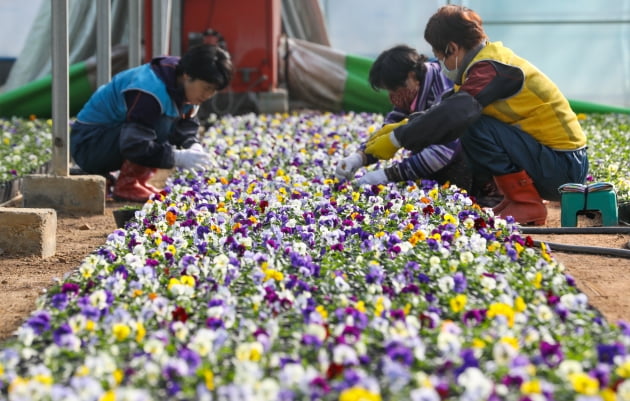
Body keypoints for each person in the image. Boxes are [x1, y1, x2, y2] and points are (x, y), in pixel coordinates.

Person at [363, 5, 588, 226]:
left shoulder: (492, 68)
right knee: (463, 117)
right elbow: (439, 110)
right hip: (553, 162)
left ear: (452, 48)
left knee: (470, 121)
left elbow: (455, 112)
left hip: (564, 167)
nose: (440, 64)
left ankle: (526, 203)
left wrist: (397, 140)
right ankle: (514, 199)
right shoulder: (481, 67)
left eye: (439, 56)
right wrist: (393, 132)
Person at [334, 45, 501, 206]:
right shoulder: (410, 92)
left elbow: (443, 150)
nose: (393, 97)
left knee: (451, 172)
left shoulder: (442, 85)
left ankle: (485, 193)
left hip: (478, 154)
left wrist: (389, 175)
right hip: (448, 153)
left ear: (412, 75)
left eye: (395, 89)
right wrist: (360, 156)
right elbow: (391, 129)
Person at [70, 44, 233, 202]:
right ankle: (128, 184)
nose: (208, 95)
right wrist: (177, 157)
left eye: (213, 91)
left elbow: (186, 122)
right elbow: (134, 143)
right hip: (89, 144)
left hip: (108, 139)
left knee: (164, 122)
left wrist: (191, 143)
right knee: (161, 123)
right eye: (206, 88)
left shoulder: (183, 82)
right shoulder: (150, 91)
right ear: (187, 76)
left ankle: (133, 181)